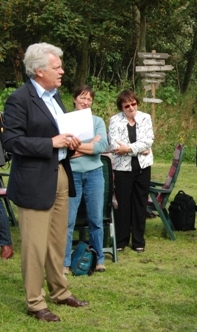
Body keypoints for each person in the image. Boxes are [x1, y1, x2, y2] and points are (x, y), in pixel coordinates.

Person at [2, 42, 88, 322]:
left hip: (60, 174)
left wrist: (70, 142)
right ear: (39, 71)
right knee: (35, 245)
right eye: (57, 67)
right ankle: (35, 302)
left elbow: (59, 132)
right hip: (33, 181)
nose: (62, 71)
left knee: (56, 241)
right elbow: (11, 141)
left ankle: (60, 292)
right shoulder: (19, 99)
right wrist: (50, 142)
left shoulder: (55, 96)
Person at [63, 85, 109, 275]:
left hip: (94, 174)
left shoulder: (97, 121)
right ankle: (65, 262)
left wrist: (77, 148)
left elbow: (102, 147)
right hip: (71, 175)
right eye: (82, 98)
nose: (86, 102)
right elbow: (64, 152)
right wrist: (89, 144)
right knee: (67, 221)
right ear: (74, 99)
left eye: (89, 99)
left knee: (96, 219)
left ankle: (99, 259)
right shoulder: (65, 121)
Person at [109, 90, 154, 253]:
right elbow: (114, 145)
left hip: (143, 168)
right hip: (122, 169)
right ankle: (121, 240)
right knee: (123, 205)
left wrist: (127, 148)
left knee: (140, 204)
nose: (130, 107)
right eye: (126, 105)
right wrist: (138, 149)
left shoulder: (146, 118)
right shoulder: (114, 120)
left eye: (133, 104)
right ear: (121, 107)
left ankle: (138, 240)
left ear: (137, 103)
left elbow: (148, 141)